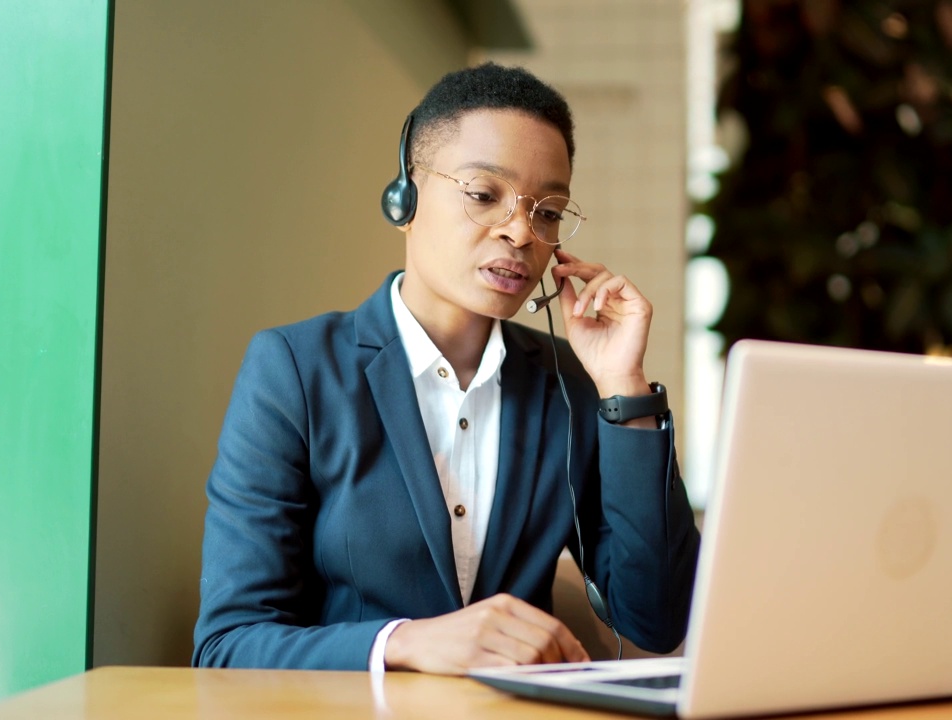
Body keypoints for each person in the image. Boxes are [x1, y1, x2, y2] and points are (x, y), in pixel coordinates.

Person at [192, 62, 701, 674]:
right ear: (404, 197)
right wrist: (406, 642)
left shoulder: (569, 382)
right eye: (484, 196)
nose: (520, 233)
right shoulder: (295, 371)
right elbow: (227, 646)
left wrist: (624, 387)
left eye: (547, 212)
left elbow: (658, 618)